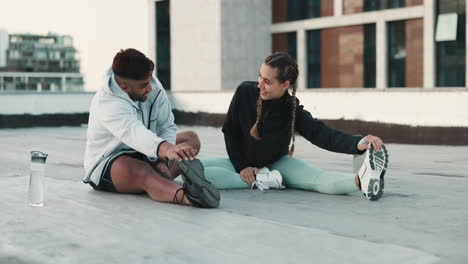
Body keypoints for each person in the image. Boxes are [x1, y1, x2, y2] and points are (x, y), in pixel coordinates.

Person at [201, 52, 389, 200]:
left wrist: (358, 143)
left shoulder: (291, 110)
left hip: (279, 165)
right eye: (260, 77)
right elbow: (230, 131)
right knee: (195, 170)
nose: (260, 85)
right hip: (242, 163)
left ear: (285, 85)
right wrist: (242, 166)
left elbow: (321, 134)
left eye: (267, 82)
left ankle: (362, 181)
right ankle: (264, 180)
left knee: (317, 179)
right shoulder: (244, 92)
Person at [83, 48, 220, 208]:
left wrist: (164, 159)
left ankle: (163, 177)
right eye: (144, 85)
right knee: (141, 170)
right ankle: (189, 197)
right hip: (111, 163)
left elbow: (166, 125)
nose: (150, 88)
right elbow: (134, 133)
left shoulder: (152, 85)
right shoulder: (107, 102)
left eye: (149, 81)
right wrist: (166, 149)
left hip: (148, 153)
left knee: (190, 139)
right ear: (125, 88)